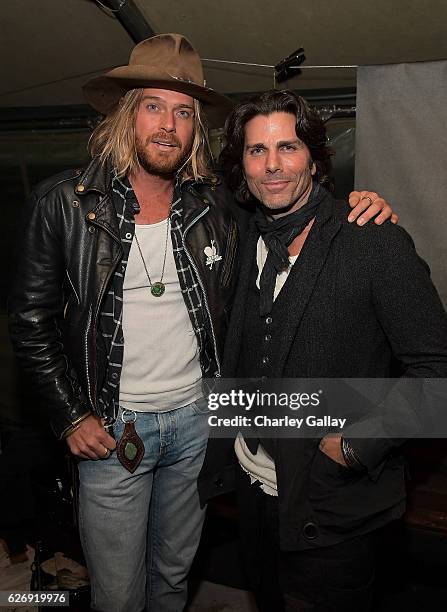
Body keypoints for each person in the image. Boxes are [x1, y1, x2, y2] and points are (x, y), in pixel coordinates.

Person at [8, 33, 395, 612]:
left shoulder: (214, 201)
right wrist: (69, 417)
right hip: (112, 431)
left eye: (183, 111)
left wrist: (363, 206)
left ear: (196, 129)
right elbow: (30, 320)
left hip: (199, 422)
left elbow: (289, 194)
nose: (168, 124)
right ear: (125, 116)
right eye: (153, 106)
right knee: (116, 594)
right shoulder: (63, 203)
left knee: (173, 576)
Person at [198, 90, 447, 612]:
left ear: (313, 155)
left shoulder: (370, 240)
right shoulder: (244, 234)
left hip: (332, 506)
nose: (272, 167)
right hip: (252, 488)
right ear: (240, 164)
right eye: (256, 151)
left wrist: (359, 444)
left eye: (287, 147)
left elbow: (437, 369)